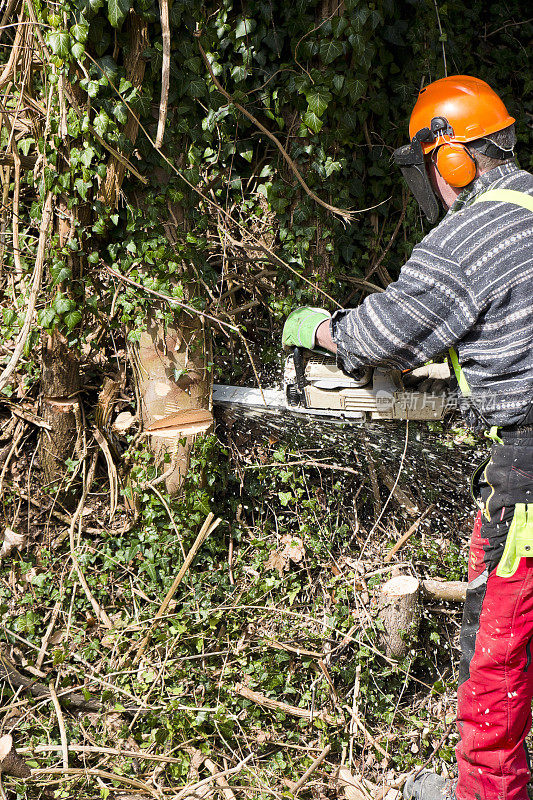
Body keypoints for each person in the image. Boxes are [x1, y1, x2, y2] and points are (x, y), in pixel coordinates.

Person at [282, 76, 533, 800]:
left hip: (529, 468)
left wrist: (323, 329)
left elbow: (388, 331)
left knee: (497, 657)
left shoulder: (471, 234)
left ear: (449, 159)